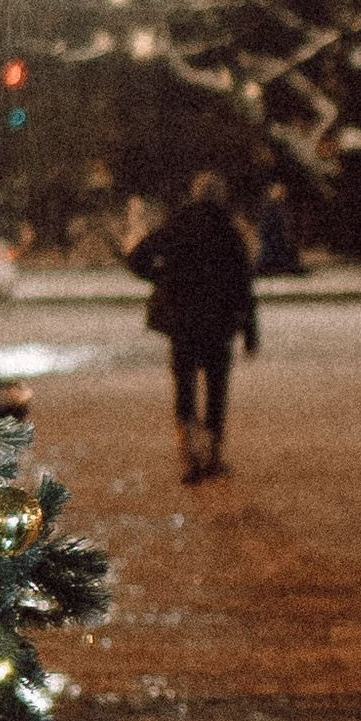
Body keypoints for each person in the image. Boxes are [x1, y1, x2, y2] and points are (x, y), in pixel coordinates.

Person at [126, 170, 258, 485]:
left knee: (184, 387)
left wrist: (160, 277)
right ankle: (212, 454)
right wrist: (251, 331)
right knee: (215, 389)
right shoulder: (228, 230)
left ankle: (187, 455)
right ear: (220, 196)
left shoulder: (177, 223)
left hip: (181, 320)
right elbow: (244, 284)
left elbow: (136, 258)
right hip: (218, 321)